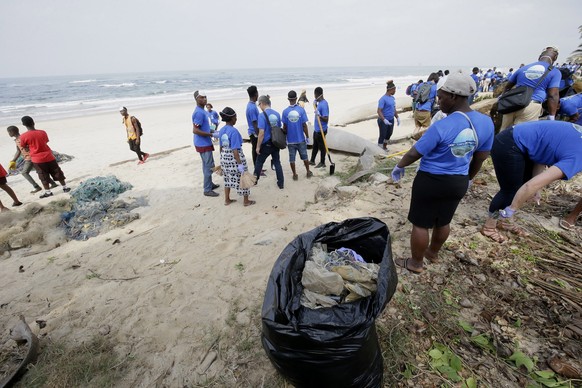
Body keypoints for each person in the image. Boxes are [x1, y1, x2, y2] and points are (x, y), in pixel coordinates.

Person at [391, 72, 494, 273]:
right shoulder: (486, 123)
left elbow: (415, 152)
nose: (439, 101)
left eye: (441, 97)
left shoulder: (442, 125)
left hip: (431, 180)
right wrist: (468, 178)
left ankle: (416, 263)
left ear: (454, 97)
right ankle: (433, 253)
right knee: (443, 220)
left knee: (420, 223)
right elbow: (481, 157)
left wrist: (399, 166)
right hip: (458, 181)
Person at [481, 120, 582, 242]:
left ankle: (505, 222)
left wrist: (537, 190)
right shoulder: (577, 158)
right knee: (511, 191)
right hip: (509, 142)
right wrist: (512, 208)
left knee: (520, 188)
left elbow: (542, 154)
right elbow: (530, 186)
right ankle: (489, 227)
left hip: (523, 142)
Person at [499, 47, 562, 131]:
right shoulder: (554, 72)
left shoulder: (523, 68)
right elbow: (552, 95)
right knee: (522, 135)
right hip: (531, 106)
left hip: (512, 104)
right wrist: (551, 117)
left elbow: (507, 87)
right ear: (555, 58)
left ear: (539, 57)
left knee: (503, 133)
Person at [19, 116, 70, 198]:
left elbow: (24, 147)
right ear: (33, 122)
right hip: (49, 156)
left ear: (24, 124)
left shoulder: (23, 136)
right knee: (57, 172)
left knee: (43, 175)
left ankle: (48, 192)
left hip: (37, 159)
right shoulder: (42, 132)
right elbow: (46, 141)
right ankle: (65, 187)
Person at [217, 107, 255, 207]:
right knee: (243, 178)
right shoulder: (234, 131)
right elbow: (235, 151)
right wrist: (240, 165)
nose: (236, 119)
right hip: (234, 159)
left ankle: (227, 199)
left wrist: (222, 160)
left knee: (227, 178)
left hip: (225, 158)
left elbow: (220, 147)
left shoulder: (221, 131)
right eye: (235, 117)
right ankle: (246, 201)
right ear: (232, 118)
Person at [7, 125, 56, 193]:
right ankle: (53, 183)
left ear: (12, 132)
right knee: (40, 171)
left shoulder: (21, 138)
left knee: (24, 172)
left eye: (9, 132)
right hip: (29, 157)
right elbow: (18, 151)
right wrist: (14, 160)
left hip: (30, 158)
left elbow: (29, 147)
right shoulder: (17, 140)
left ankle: (36, 186)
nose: (8, 134)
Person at [192, 90, 220, 197]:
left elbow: (205, 127)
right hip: (202, 143)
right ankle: (207, 189)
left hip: (205, 141)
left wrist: (213, 132)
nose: (204, 99)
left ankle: (210, 184)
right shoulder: (198, 112)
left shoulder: (203, 111)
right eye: (201, 97)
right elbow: (195, 130)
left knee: (206, 165)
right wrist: (210, 134)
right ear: (196, 99)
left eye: (205, 97)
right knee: (209, 166)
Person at [253, 95, 284, 189]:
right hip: (275, 142)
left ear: (262, 103)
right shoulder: (277, 114)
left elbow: (261, 133)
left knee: (259, 162)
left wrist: (258, 146)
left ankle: (255, 180)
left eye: (259, 104)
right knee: (277, 162)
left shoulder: (261, 115)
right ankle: (281, 183)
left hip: (266, 143)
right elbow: (278, 128)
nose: (259, 106)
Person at [282, 90, 313, 180]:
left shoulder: (285, 112)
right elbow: (304, 125)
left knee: (292, 159)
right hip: (300, 139)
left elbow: (284, 127)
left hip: (290, 140)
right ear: (296, 98)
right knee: (305, 157)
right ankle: (308, 172)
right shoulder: (301, 110)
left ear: (288, 99)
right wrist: (307, 137)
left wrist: (284, 135)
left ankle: (295, 174)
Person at [412, 73, 439, 140]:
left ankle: (413, 141)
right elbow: (437, 99)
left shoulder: (422, 84)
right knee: (425, 128)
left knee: (417, 127)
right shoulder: (435, 86)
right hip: (426, 110)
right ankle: (421, 144)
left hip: (417, 109)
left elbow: (416, 94)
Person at [309, 87, 330, 168]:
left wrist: (319, 116)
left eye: (314, 95)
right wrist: (315, 105)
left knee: (322, 147)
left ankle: (322, 162)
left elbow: (326, 119)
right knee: (315, 146)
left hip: (322, 130)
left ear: (316, 94)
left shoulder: (324, 104)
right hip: (317, 129)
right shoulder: (319, 103)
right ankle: (312, 160)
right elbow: (318, 107)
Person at [377, 80, 400, 150]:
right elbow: (379, 111)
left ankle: (384, 146)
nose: (395, 91)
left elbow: (393, 108)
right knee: (382, 135)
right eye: (394, 90)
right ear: (391, 89)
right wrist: (384, 120)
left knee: (389, 134)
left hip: (391, 119)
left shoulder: (392, 98)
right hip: (383, 120)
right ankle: (379, 148)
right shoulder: (382, 99)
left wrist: (397, 117)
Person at [246, 86, 261, 169]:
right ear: (256, 94)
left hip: (254, 131)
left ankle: (258, 166)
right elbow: (254, 122)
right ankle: (257, 167)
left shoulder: (252, 105)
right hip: (254, 132)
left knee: (257, 150)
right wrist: (259, 134)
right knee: (256, 150)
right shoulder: (251, 107)